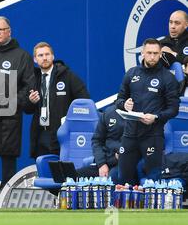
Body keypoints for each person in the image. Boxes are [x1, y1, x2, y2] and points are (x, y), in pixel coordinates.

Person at [0, 16, 35, 207]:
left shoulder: (22, 56)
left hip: (9, 121)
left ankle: (3, 209)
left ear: (9, 31)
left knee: (8, 173)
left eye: (0, 30)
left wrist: (9, 103)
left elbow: (29, 89)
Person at [116, 38, 180, 185]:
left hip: (153, 134)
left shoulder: (168, 78)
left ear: (160, 54)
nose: (152, 56)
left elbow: (174, 109)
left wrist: (156, 117)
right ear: (143, 53)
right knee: (123, 179)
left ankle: (153, 207)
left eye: (156, 53)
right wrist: (124, 104)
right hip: (130, 134)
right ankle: (127, 207)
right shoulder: (131, 73)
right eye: (149, 53)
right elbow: (119, 100)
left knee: (154, 179)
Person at [24, 42, 89, 159]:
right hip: (41, 134)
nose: (44, 58)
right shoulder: (33, 79)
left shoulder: (67, 76)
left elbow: (85, 100)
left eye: (47, 54)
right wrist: (30, 101)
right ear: (35, 59)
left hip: (62, 133)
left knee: (62, 172)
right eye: (40, 55)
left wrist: (69, 123)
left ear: (53, 56)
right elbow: (27, 109)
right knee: (44, 170)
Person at [76, 105, 123, 184]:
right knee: (76, 175)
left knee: (112, 176)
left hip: (123, 164)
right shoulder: (109, 112)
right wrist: (102, 164)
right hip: (106, 162)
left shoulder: (139, 114)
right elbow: (97, 140)